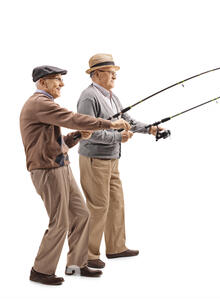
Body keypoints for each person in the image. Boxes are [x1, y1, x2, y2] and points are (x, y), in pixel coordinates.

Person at [20, 65, 131, 285]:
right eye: (56, 80)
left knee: (81, 214)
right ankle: (41, 271)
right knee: (60, 221)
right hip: (47, 170)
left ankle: (76, 265)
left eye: (61, 79)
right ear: (42, 83)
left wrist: (77, 137)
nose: (61, 83)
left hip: (60, 165)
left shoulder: (45, 105)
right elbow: (72, 118)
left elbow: (53, 141)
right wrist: (109, 124)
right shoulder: (39, 104)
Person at [77, 54, 163, 269]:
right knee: (98, 207)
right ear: (96, 74)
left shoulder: (112, 96)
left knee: (116, 203)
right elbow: (89, 131)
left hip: (112, 159)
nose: (114, 74)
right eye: (109, 70)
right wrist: (118, 137)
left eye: (114, 70)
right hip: (95, 159)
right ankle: (87, 255)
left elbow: (127, 121)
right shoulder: (88, 97)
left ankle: (116, 248)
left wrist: (150, 129)